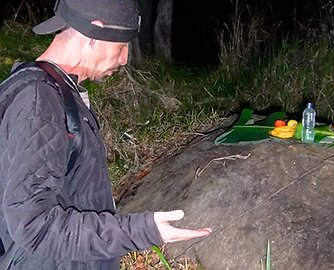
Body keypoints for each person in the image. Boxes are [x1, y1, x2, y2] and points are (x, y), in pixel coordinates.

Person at [0, 0, 211, 269]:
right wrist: (140, 231)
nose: (124, 59)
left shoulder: (53, 90)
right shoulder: (39, 101)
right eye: (121, 46)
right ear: (92, 34)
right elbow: (34, 225)